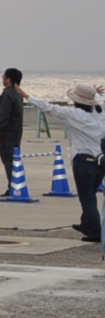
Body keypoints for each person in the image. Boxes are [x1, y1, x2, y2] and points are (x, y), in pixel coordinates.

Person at [27, 84, 104, 242]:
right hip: (101, 160)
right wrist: (94, 94)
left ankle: (95, 231)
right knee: (90, 194)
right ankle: (86, 224)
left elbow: (49, 108)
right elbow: (99, 100)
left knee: (87, 198)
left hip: (83, 160)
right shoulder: (101, 111)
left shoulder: (74, 114)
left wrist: (26, 95)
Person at [0, 68, 27, 198]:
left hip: (7, 133)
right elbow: (2, 104)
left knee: (8, 161)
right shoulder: (17, 93)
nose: (2, 78)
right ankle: (15, 185)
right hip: (16, 132)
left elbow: (3, 113)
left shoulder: (8, 94)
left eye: (4, 77)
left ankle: (13, 187)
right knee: (14, 160)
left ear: (8, 79)